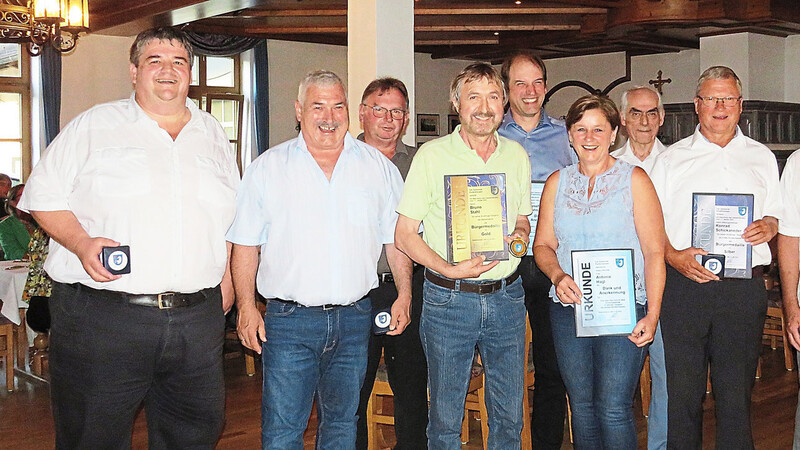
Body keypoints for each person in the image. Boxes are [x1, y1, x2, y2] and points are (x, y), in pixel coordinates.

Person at [18, 27, 239, 449]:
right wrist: (82, 244)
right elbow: (40, 196)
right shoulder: (95, 125)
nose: (167, 70)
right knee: (92, 439)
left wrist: (226, 282)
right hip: (104, 319)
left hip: (197, 321)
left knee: (194, 436)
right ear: (134, 71)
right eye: (155, 60)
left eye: (179, 61)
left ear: (190, 73)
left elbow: (228, 217)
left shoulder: (213, 134)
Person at [228, 70, 407, 449]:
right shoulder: (268, 168)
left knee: (342, 425)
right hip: (290, 324)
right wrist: (246, 306)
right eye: (318, 106)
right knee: (282, 431)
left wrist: (404, 294)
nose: (329, 116)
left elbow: (396, 241)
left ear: (348, 111)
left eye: (337, 105)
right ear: (299, 110)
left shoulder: (379, 169)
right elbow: (245, 244)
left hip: (355, 320)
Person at [395, 62, 532, 449]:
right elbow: (404, 235)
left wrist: (519, 237)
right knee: (445, 416)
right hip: (448, 300)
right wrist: (448, 267)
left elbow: (522, 218)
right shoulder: (431, 156)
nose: (484, 107)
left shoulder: (517, 155)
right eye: (474, 97)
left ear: (504, 105)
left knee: (508, 416)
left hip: (507, 298)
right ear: (457, 104)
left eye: (493, 97)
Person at [649, 66, 783, 448]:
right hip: (685, 287)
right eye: (712, 98)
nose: (720, 106)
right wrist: (673, 256)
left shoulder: (762, 158)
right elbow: (648, 224)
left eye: (728, 99)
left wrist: (771, 225)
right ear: (697, 105)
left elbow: (776, 215)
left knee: (736, 396)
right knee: (684, 396)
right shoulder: (671, 160)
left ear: (740, 106)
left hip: (743, 289)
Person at [532, 94, 665, 449]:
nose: (589, 138)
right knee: (581, 407)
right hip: (568, 308)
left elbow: (654, 251)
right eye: (581, 130)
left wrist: (652, 314)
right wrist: (558, 276)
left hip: (623, 310)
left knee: (613, 408)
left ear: (613, 133)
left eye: (598, 129)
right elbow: (542, 245)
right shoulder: (556, 183)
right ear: (570, 136)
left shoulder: (635, 179)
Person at [497, 50, 575, 449]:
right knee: (506, 366)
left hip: (550, 262)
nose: (530, 91)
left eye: (537, 82)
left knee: (551, 364)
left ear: (546, 85)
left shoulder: (567, 134)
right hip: (502, 267)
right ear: (506, 89)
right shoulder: (490, 134)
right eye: (520, 83)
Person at [354, 77, 428, 450]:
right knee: (353, 389)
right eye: (379, 109)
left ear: (406, 118)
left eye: (396, 111)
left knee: (412, 388)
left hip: (411, 287)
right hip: (355, 292)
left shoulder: (421, 162)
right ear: (363, 113)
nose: (387, 118)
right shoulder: (340, 159)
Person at [611, 85, 668, 450]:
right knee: (615, 386)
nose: (644, 121)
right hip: (616, 286)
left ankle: (660, 445)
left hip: (665, 285)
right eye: (636, 112)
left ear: (661, 118)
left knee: (666, 378)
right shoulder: (606, 160)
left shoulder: (680, 161)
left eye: (651, 113)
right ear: (623, 119)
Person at [0, 184, 32, 260]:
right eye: (23, 195)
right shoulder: (6, 225)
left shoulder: (40, 222)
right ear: (12, 202)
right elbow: (13, 253)